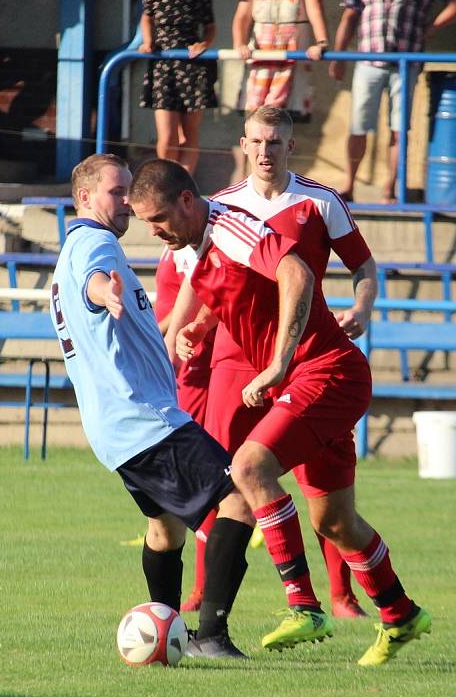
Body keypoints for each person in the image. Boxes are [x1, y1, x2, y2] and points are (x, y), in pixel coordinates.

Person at [129, 157, 431, 666]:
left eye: (158, 219)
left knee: (247, 468)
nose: (155, 231)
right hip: (309, 379)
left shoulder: (231, 226)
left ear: (186, 201)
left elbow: (295, 272)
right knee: (335, 521)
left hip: (326, 372)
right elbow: (228, 293)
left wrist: (277, 362)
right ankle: (401, 615)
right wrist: (199, 329)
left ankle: (304, 605)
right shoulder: (199, 245)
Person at [169, 105, 376, 619]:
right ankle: (203, 591)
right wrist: (195, 327)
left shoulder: (320, 202)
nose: (266, 151)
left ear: (291, 147)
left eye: (276, 142)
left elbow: (363, 263)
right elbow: (216, 289)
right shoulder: (219, 208)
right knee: (225, 476)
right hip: (234, 361)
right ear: (244, 145)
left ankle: (340, 596)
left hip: (302, 357)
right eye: (258, 142)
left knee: (319, 480)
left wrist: (363, 306)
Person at [50, 153, 254, 660]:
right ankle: (211, 636)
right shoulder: (92, 245)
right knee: (240, 501)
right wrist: (106, 295)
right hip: (146, 420)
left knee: (165, 530)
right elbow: (93, 281)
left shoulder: (71, 253)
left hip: (116, 429)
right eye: (116, 193)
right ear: (85, 199)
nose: (125, 203)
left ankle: (166, 635)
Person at [329, 0, 456, 202]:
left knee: (399, 129)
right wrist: (338, 54)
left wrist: (431, 28)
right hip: (368, 61)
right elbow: (350, 14)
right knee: (358, 126)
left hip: (405, 63)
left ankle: (390, 187)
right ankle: (349, 185)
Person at [154, 246, 219, 613]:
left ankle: (340, 596)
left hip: (195, 365)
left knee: (202, 480)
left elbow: (194, 296)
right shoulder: (171, 240)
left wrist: (155, 338)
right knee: (192, 481)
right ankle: (199, 588)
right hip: (180, 366)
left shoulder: (198, 240)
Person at [232, 0, 329, 117]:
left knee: (280, 113)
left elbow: (316, 12)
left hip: (291, 54)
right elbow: (242, 16)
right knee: (254, 110)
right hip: (262, 53)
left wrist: (321, 42)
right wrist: (239, 44)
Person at [139, 0, 217, 175]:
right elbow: (146, 18)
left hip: (193, 66)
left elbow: (210, 26)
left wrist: (204, 43)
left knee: (190, 133)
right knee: (167, 134)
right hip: (164, 67)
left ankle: (184, 180)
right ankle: (168, 177)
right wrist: (147, 41)